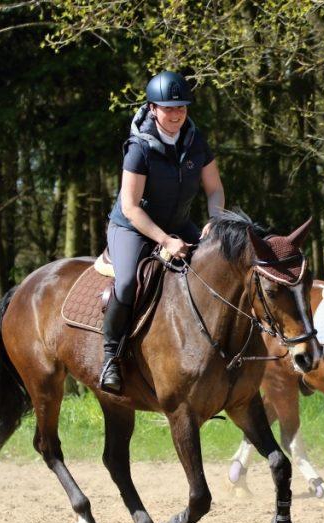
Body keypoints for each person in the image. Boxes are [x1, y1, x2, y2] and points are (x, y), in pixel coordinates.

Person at [100, 70, 225, 392]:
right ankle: (111, 357)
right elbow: (131, 207)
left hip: (179, 224)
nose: (176, 114)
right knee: (126, 283)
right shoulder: (139, 148)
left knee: (220, 266)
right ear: (153, 108)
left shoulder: (196, 141)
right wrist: (165, 240)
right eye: (168, 108)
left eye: (181, 107)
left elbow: (214, 189)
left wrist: (214, 220)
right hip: (133, 228)